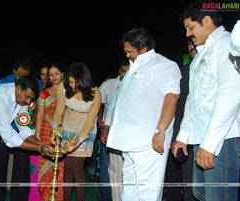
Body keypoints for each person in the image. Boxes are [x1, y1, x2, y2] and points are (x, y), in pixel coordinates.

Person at [171, 1, 240, 201]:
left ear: (207, 20)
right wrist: (183, 136)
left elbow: (230, 94)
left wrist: (209, 145)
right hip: (201, 139)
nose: (187, 34)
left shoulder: (226, 44)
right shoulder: (198, 58)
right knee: (200, 194)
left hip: (222, 139)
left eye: (190, 27)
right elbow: (193, 100)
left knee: (219, 197)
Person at [102, 28, 181, 201]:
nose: (127, 55)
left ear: (143, 48)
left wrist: (160, 131)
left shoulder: (163, 65)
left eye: (130, 51)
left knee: (148, 193)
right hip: (129, 143)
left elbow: (172, 96)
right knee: (129, 191)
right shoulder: (133, 68)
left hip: (149, 143)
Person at [0, 57, 44, 201]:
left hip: (24, 132)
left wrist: (33, 133)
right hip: (2, 132)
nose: (22, 79)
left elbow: (36, 110)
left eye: (26, 76)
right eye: (20, 76)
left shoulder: (36, 85)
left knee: (22, 170)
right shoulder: (3, 83)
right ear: (14, 71)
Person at [51, 62, 102, 201]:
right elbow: (59, 111)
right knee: (67, 166)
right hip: (68, 126)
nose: (72, 86)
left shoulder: (95, 93)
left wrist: (78, 141)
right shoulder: (63, 87)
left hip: (85, 130)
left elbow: (90, 121)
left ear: (84, 80)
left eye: (75, 82)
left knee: (76, 165)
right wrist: (55, 131)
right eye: (70, 82)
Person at [163, 39, 198, 201]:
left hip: (207, 140)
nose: (192, 47)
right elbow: (175, 106)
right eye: (189, 44)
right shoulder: (182, 73)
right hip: (180, 138)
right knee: (177, 182)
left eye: (195, 43)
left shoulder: (216, 68)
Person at [28, 63, 65, 201]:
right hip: (45, 132)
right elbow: (39, 116)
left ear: (62, 74)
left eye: (56, 73)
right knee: (44, 168)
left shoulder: (69, 92)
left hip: (62, 135)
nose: (53, 77)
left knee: (60, 169)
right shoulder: (44, 93)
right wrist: (37, 138)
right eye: (51, 74)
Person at [98, 58, 129, 201]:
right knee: (105, 166)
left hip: (125, 135)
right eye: (123, 71)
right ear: (119, 70)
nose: (125, 74)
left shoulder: (133, 86)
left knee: (123, 168)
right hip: (107, 131)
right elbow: (99, 103)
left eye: (128, 71)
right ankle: (107, 196)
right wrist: (100, 120)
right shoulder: (109, 84)